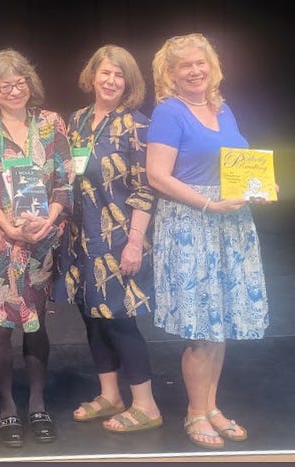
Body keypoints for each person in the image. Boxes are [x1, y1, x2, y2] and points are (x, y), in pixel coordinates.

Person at [146, 33, 270, 449]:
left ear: (212, 67)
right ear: (171, 73)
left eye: (201, 63)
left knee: (220, 324)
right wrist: (207, 204)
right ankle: (195, 413)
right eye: (185, 65)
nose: (195, 71)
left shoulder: (223, 109)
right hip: (192, 224)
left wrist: (256, 187)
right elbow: (156, 175)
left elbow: (236, 164)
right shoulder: (170, 112)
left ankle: (211, 406)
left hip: (229, 224)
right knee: (201, 327)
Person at [0, 49, 71, 447]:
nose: (13, 90)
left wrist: (49, 221)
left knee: (36, 325)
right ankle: (8, 407)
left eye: (19, 82)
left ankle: (38, 404)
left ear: (30, 83)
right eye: (4, 85)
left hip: (40, 241)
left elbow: (63, 181)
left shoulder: (51, 123)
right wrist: (8, 226)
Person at [53, 45, 162, 433]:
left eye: (120, 75)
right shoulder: (77, 120)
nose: (112, 81)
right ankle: (110, 395)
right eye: (106, 73)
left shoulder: (137, 125)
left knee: (119, 321)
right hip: (80, 239)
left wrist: (134, 241)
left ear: (129, 83)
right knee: (92, 319)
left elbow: (146, 189)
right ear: (92, 75)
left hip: (118, 239)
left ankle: (146, 405)